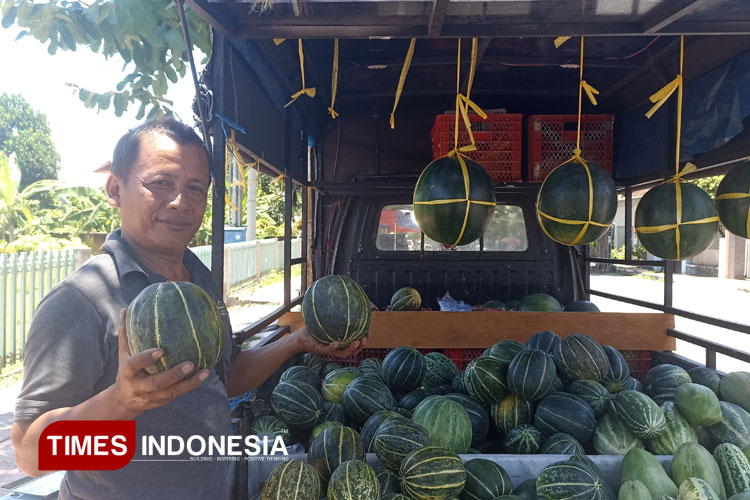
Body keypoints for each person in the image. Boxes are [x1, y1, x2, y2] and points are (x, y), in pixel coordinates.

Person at [11, 118, 367, 499]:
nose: (180, 201)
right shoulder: (80, 300)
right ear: (116, 188)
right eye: (161, 182)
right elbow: (31, 454)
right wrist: (120, 402)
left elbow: (218, 380)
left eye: (195, 188)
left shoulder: (199, 280)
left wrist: (296, 342)